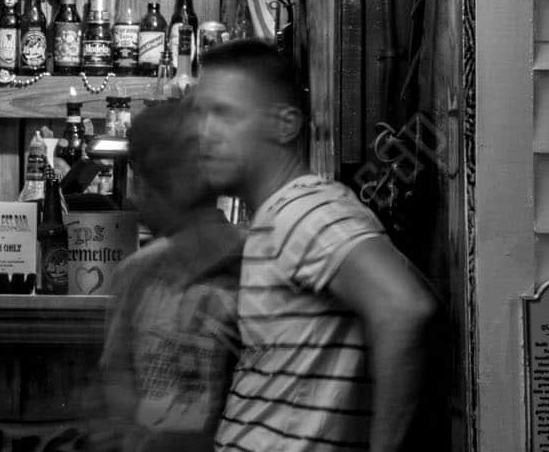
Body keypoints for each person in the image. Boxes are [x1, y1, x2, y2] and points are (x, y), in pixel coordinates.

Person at [194, 40, 436, 452]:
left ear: (285, 125)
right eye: (199, 114)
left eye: (224, 114)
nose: (204, 134)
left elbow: (406, 309)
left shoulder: (306, 209)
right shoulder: (284, 215)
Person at [99, 99, 243, 452]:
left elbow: (117, 379)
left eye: (139, 179)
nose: (135, 196)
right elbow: (117, 378)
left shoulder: (249, 268)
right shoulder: (137, 272)